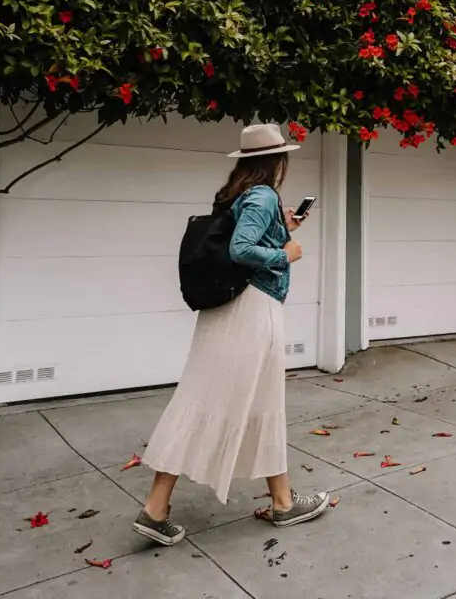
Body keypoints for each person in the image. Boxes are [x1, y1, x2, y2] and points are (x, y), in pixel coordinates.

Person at [132, 123, 329, 545]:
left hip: (230, 313)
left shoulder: (237, 193)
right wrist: (285, 252)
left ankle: (281, 502)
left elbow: (237, 242)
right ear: (278, 160)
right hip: (252, 313)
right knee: (211, 401)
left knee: (237, 400)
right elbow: (242, 250)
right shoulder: (262, 195)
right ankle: (154, 508)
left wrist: (284, 228)